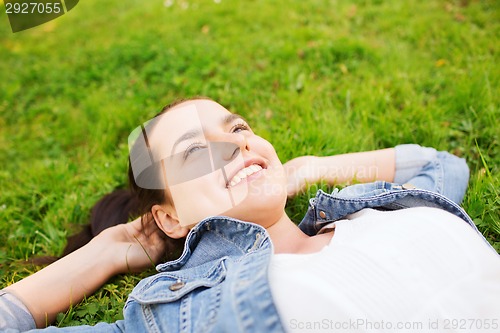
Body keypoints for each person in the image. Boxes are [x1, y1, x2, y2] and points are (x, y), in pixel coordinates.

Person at [1, 98, 499, 332]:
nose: (237, 144)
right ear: (169, 219)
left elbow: (439, 166)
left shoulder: (370, 210)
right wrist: (108, 251)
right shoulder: (184, 316)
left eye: (237, 128)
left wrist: (304, 170)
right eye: (195, 153)